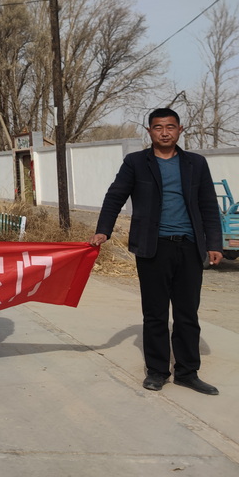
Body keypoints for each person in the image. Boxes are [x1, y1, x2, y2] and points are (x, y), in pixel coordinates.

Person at [90, 108, 223, 395]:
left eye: (170, 127)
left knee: (187, 313)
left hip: (189, 246)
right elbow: (115, 196)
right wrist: (104, 230)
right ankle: (157, 371)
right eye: (158, 127)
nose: (164, 132)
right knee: (155, 313)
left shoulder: (195, 163)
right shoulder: (136, 162)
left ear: (180, 130)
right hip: (153, 247)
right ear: (149, 131)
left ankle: (187, 372)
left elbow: (208, 204)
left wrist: (214, 243)